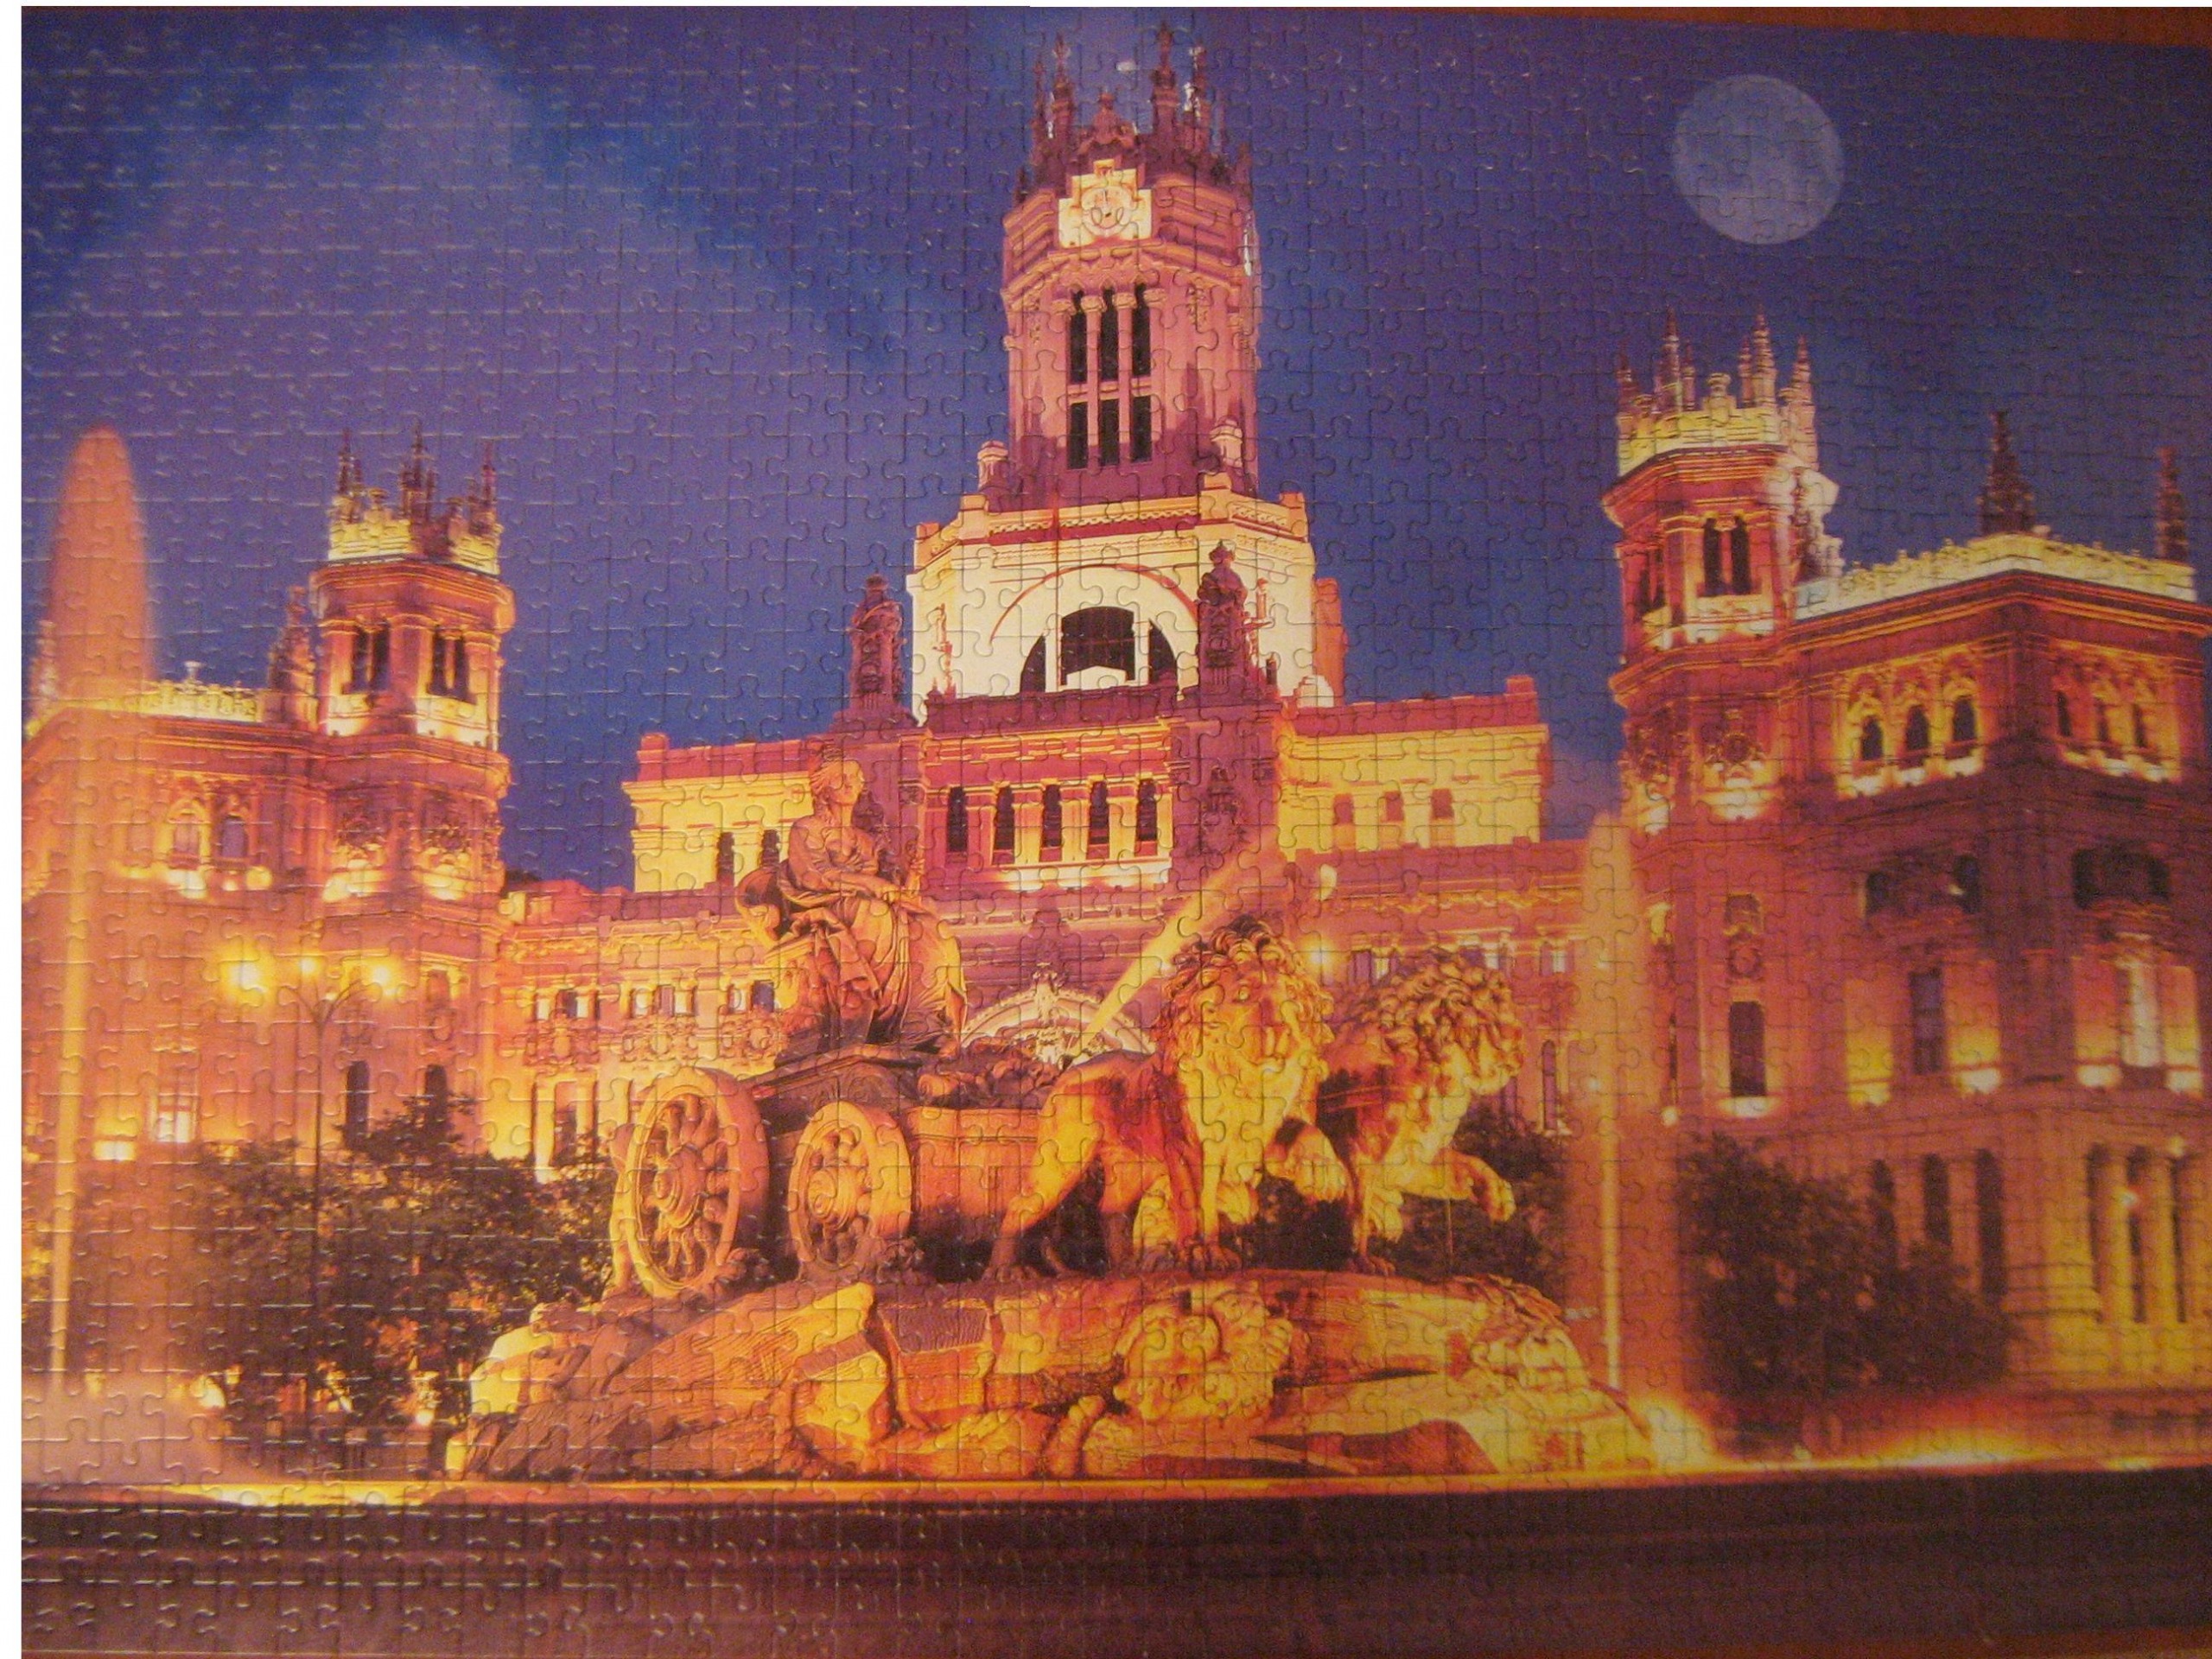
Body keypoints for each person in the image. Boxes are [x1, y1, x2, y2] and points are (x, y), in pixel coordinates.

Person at [780, 758, 965, 1052]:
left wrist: (911, 875)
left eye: (855, 777)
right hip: (829, 905)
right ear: (823, 789)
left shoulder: (866, 840)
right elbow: (812, 876)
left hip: (875, 905)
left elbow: (894, 889)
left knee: (932, 929)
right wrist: (869, 884)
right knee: (874, 913)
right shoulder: (806, 828)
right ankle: (870, 1010)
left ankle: (919, 1022)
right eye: (840, 778)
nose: (850, 784)